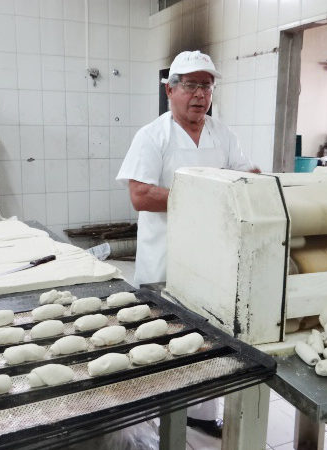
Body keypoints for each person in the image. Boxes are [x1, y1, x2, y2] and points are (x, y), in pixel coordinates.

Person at [116, 50, 259, 438]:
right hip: (165, 257)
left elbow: (249, 176)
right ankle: (157, 411)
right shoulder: (152, 136)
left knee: (209, 337)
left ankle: (200, 413)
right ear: (170, 90)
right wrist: (209, 194)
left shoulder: (221, 133)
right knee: (164, 337)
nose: (200, 94)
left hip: (213, 257)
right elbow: (141, 195)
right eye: (191, 85)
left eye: (207, 86)